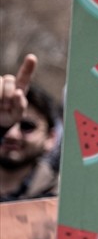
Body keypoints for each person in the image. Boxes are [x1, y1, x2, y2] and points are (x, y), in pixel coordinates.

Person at [0, 54, 60, 202]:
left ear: (51, 138)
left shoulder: (65, 198)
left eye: (27, 126)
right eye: (5, 126)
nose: (12, 134)